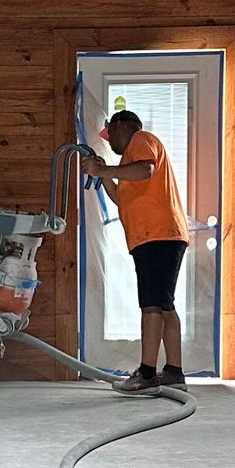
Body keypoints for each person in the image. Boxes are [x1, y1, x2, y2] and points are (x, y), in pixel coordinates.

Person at [90, 108, 190, 393]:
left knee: (151, 306)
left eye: (110, 134)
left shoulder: (141, 140)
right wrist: (104, 174)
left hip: (157, 236)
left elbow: (146, 170)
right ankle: (173, 372)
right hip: (158, 236)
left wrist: (104, 169)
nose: (109, 142)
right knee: (164, 304)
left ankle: (147, 374)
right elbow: (121, 199)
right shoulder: (127, 162)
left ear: (122, 125)